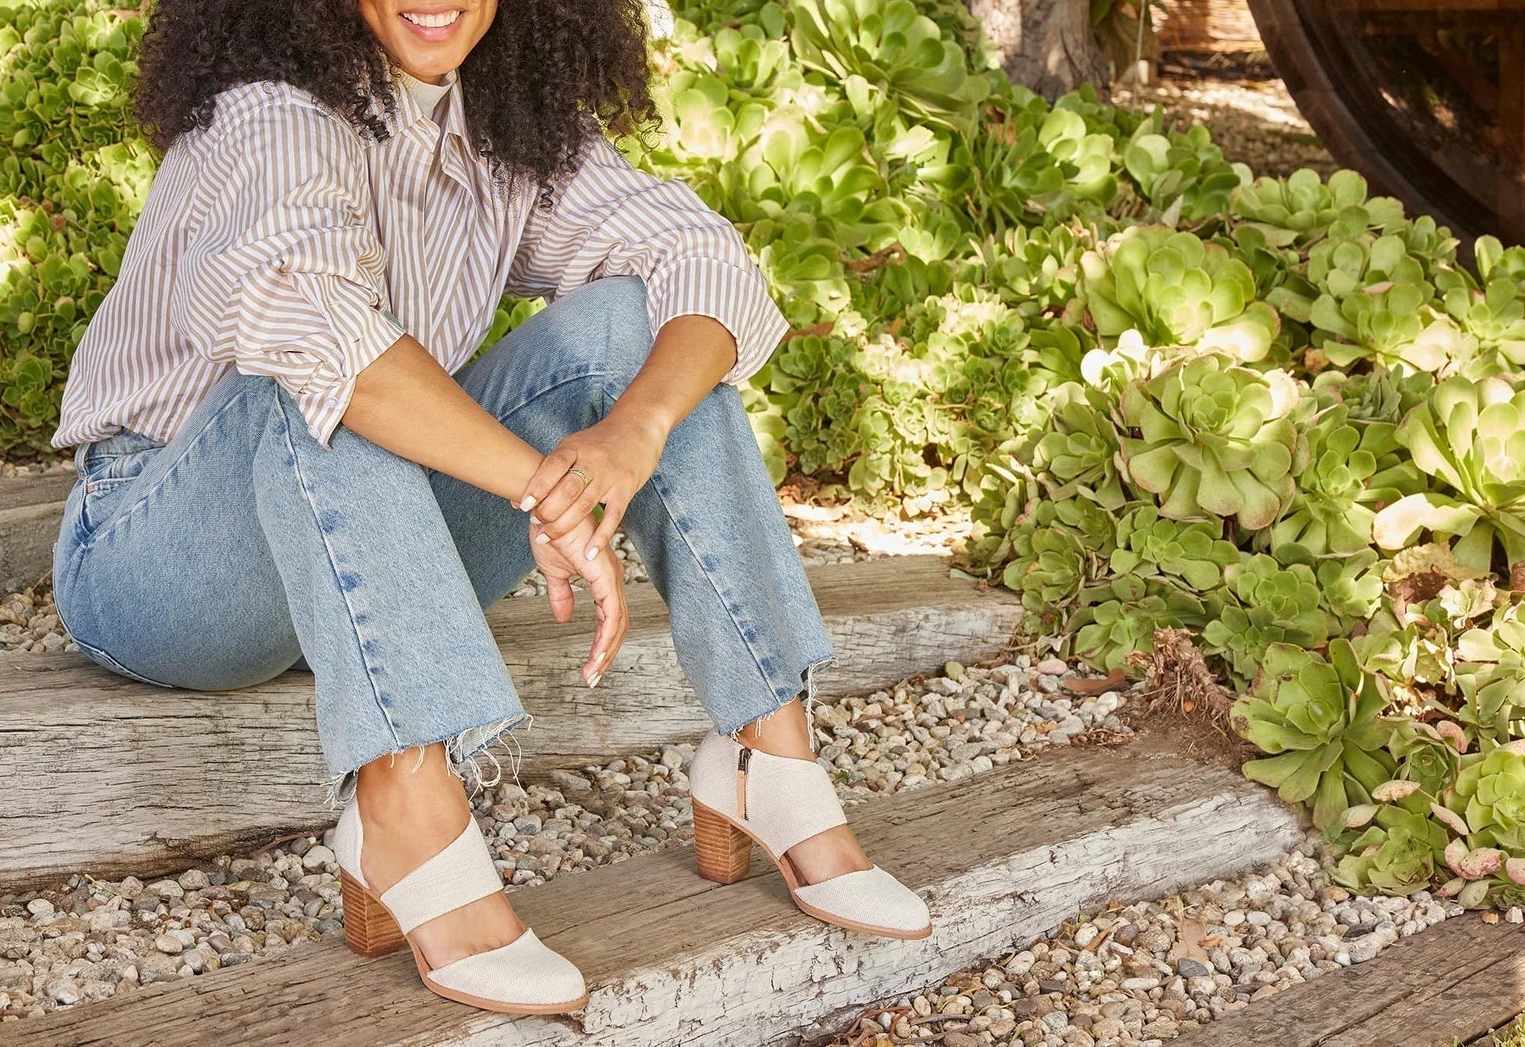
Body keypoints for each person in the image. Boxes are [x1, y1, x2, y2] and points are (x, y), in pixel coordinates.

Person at [49, 0, 931, 1015]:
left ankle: (764, 751)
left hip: (365, 533)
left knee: (635, 324)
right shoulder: (271, 114)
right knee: (312, 372)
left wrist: (627, 434)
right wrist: (538, 487)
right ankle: (402, 805)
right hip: (164, 566)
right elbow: (319, 332)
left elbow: (701, 260)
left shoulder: (503, 126)